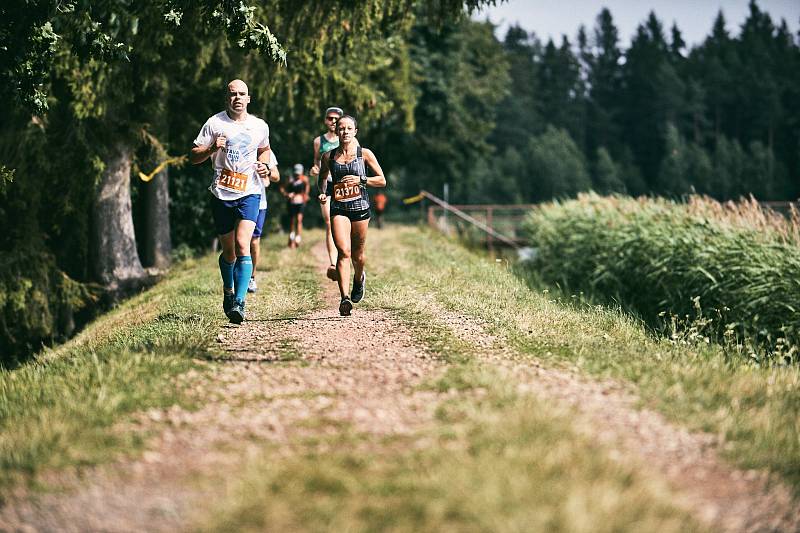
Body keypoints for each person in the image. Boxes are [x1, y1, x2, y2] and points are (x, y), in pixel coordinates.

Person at [189, 79, 272, 324]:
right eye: (233, 94)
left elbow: (265, 149)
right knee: (229, 252)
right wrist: (211, 148)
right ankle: (228, 290)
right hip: (222, 193)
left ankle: (240, 302)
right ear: (227, 98)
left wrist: (264, 165)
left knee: (242, 243)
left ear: (249, 98)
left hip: (250, 191)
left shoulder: (259, 126)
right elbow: (193, 156)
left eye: (242, 94)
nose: (237, 98)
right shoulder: (214, 123)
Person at [318, 115, 386, 316]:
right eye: (341, 128)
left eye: (349, 128)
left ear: (355, 132)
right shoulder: (328, 157)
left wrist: (361, 180)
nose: (345, 131)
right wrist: (322, 192)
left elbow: (382, 180)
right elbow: (322, 178)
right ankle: (344, 298)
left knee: (358, 255)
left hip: (360, 208)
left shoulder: (364, 154)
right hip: (339, 207)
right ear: (336, 131)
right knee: (344, 252)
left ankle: (358, 279)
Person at [310, 106, 344, 280]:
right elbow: (316, 163)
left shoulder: (348, 138)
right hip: (327, 185)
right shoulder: (319, 141)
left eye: (336, 119)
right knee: (330, 224)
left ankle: (343, 260)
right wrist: (315, 169)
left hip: (343, 185)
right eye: (330, 118)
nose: (333, 122)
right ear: (325, 120)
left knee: (345, 225)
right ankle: (333, 264)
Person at [248, 151, 280, 293]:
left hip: (259, 202)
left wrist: (266, 172)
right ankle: (235, 277)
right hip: (235, 199)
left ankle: (251, 277)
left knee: (254, 240)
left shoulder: (264, 150)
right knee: (237, 241)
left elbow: (276, 176)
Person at [281, 163, 310, 248]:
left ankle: (298, 238)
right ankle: (291, 240)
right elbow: (282, 188)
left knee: (299, 219)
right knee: (292, 221)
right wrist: (287, 194)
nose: (297, 175)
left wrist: (305, 196)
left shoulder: (305, 179)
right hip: (291, 202)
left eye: (299, 174)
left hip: (300, 202)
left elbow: (307, 189)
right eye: (296, 174)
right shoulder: (290, 179)